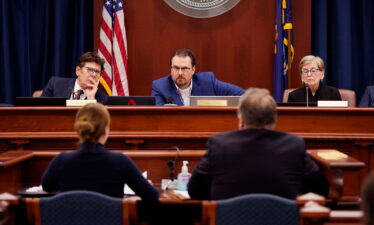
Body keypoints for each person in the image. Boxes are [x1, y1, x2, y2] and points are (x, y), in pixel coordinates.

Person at [188, 88, 326, 200]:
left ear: (241, 119)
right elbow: (320, 189)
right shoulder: (295, 145)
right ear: (274, 119)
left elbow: (195, 191)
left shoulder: (219, 144)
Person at [41, 103, 159, 200]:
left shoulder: (61, 161)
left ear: (79, 129)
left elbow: (47, 187)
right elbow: (152, 195)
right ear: (106, 129)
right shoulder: (120, 162)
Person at [152, 49, 245, 106]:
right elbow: (159, 116)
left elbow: (243, 95)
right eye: (176, 68)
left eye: (185, 68)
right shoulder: (160, 86)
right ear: (171, 69)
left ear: (193, 70)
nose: (180, 73)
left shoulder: (208, 82)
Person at [41, 52, 108, 104]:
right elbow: (40, 110)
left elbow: (97, 121)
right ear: (78, 70)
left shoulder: (102, 98)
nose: (94, 75)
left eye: (97, 72)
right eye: (90, 70)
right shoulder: (55, 84)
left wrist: (91, 98)